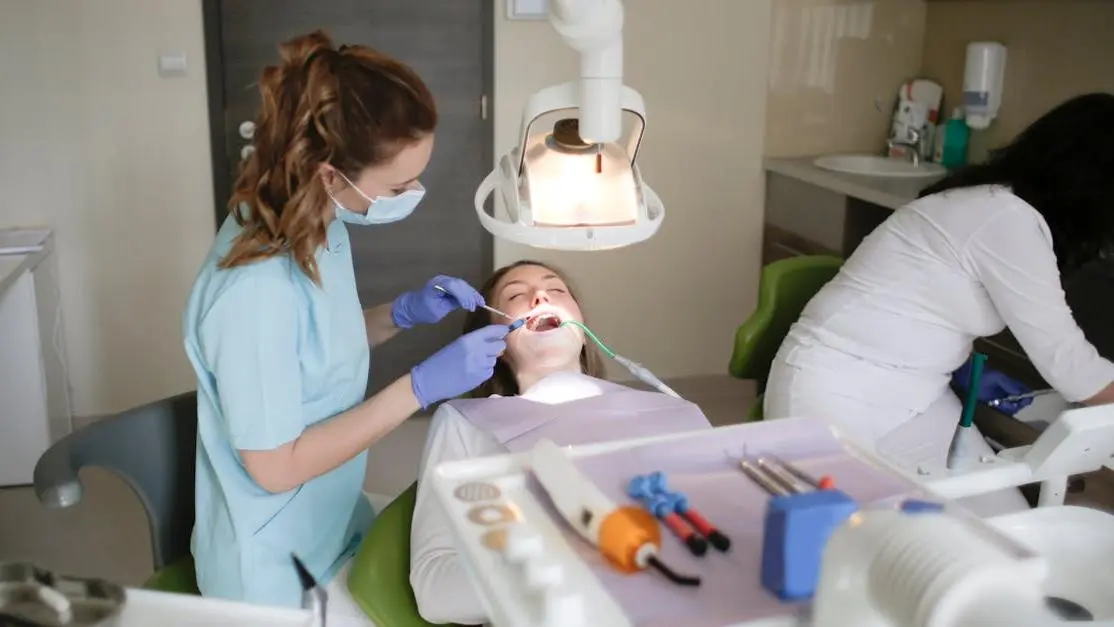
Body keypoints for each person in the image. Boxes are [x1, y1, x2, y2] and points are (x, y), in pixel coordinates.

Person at [181, 31, 511, 614]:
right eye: (398, 185)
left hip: (332, 516)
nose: (413, 194)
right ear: (332, 173)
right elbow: (276, 467)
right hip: (274, 570)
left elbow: (311, 349)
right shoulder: (251, 292)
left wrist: (401, 313)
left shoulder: (317, 220)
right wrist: (417, 389)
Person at [763, 92, 1114, 517]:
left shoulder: (1001, 208)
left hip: (918, 397)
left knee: (1004, 529)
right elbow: (1071, 365)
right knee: (862, 538)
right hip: (833, 386)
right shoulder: (1004, 218)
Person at [408, 261, 713, 625]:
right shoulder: (469, 423)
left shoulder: (669, 410)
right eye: (517, 295)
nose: (540, 297)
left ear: (582, 329)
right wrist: (557, 560)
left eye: (557, 291)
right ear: (496, 344)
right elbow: (434, 590)